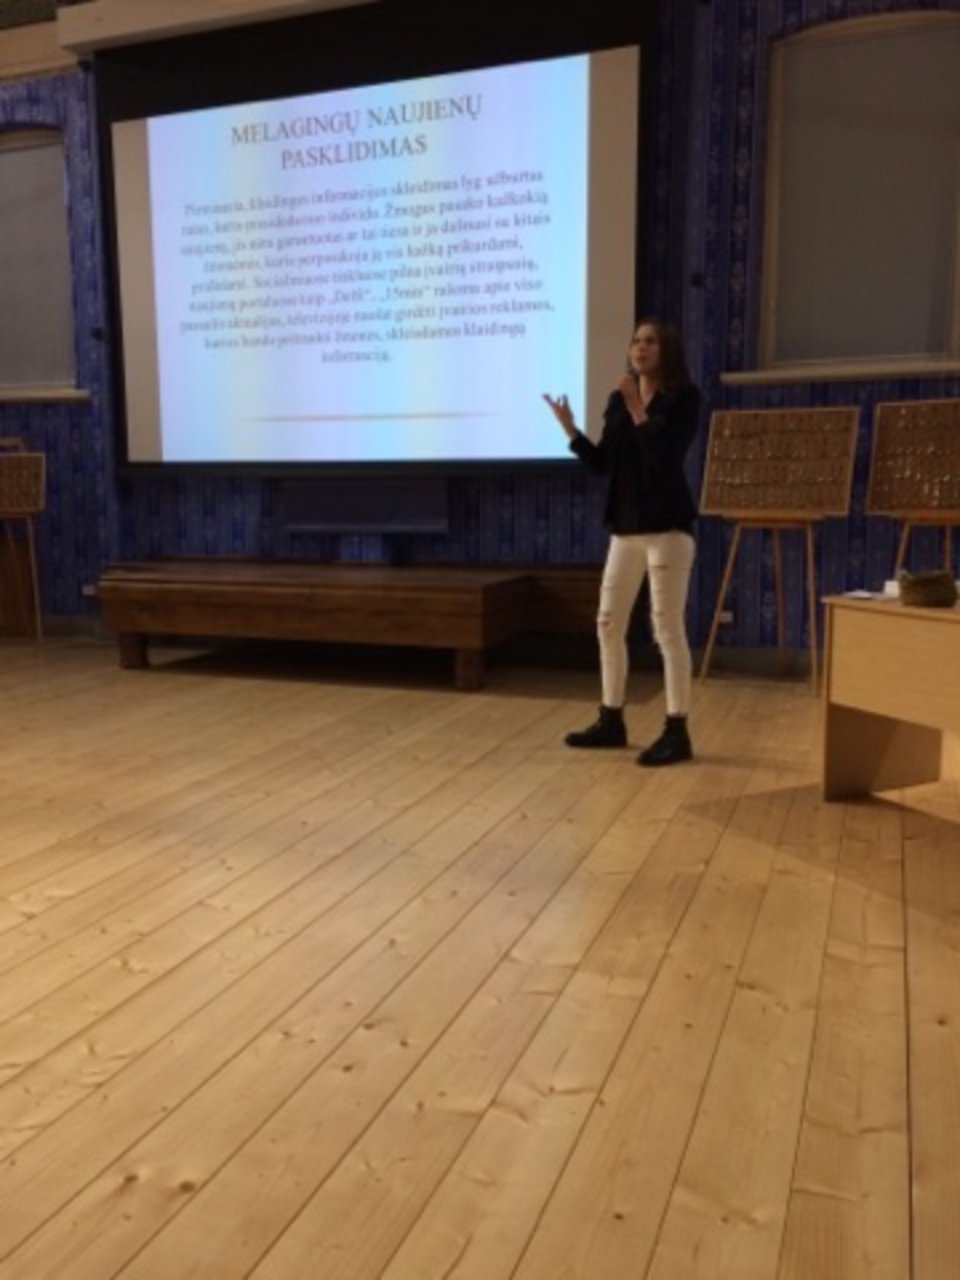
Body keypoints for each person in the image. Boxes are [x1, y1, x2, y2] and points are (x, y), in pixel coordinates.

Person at [543, 318, 701, 766]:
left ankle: (677, 730)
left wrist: (637, 408)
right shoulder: (618, 399)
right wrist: (571, 431)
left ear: (666, 351)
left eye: (650, 341)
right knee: (608, 624)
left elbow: (664, 458)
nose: (640, 348)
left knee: (666, 629)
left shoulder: (683, 398)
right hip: (625, 529)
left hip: (667, 529)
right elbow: (602, 464)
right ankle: (611, 719)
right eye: (636, 341)